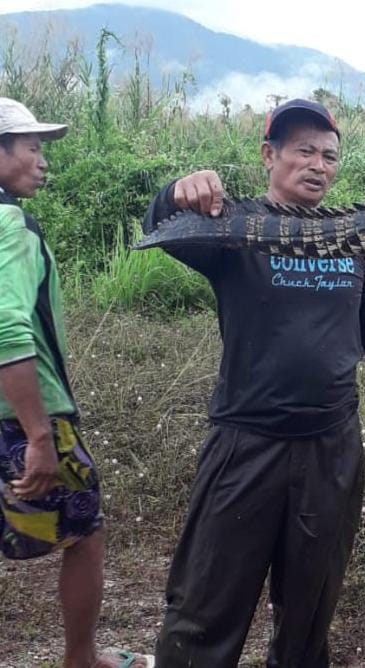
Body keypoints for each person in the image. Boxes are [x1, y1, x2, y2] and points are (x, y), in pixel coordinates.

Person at [142, 98, 365, 667]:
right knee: (205, 609)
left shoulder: (350, 236)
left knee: (308, 616)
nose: (318, 165)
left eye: (329, 155)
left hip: (331, 450)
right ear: (269, 156)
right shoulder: (237, 227)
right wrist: (176, 190)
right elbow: (159, 227)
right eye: (303, 150)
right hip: (245, 445)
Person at [0, 98, 154, 668]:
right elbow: (7, 326)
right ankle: (81, 660)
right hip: (24, 414)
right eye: (32, 148)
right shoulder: (9, 223)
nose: (43, 162)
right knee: (86, 534)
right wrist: (39, 435)